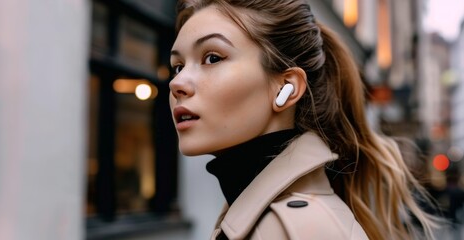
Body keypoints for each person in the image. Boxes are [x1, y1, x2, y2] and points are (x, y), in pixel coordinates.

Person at [168, 0, 440, 239]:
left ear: (286, 88)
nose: (177, 83)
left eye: (212, 58)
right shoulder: (267, 214)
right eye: (178, 66)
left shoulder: (297, 227)